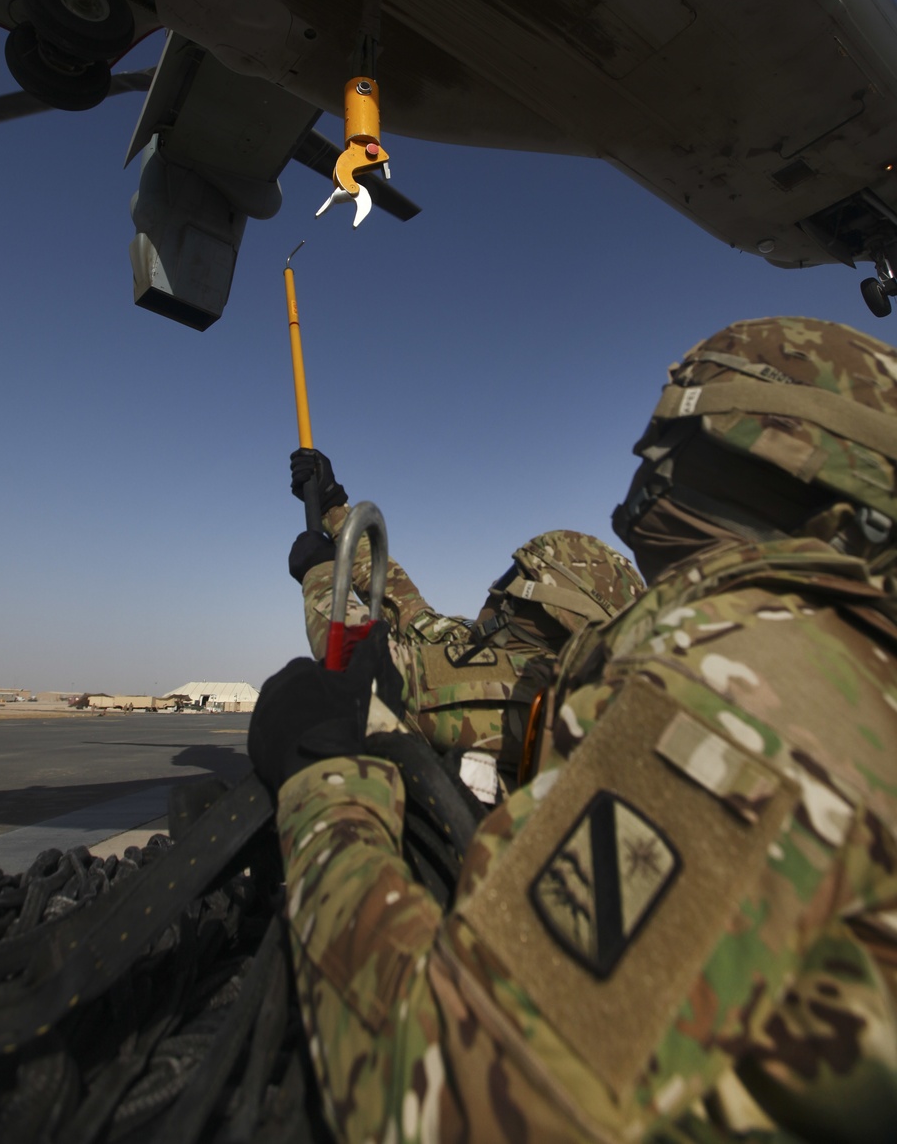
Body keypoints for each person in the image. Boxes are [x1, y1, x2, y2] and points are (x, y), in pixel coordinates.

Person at [251, 317, 897, 1143]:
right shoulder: (840, 663)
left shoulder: (743, 687)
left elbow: (459, 1101)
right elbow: (416, 638)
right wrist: (337, 523)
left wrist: (322, 783)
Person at [286, 448, 643, 792]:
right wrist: (333, 506)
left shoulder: (521, 693)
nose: (497, 589)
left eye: (513, 579)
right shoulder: (488, 646)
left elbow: (359, 672)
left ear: (545, 610)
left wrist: (320, 574)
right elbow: (405, 607)